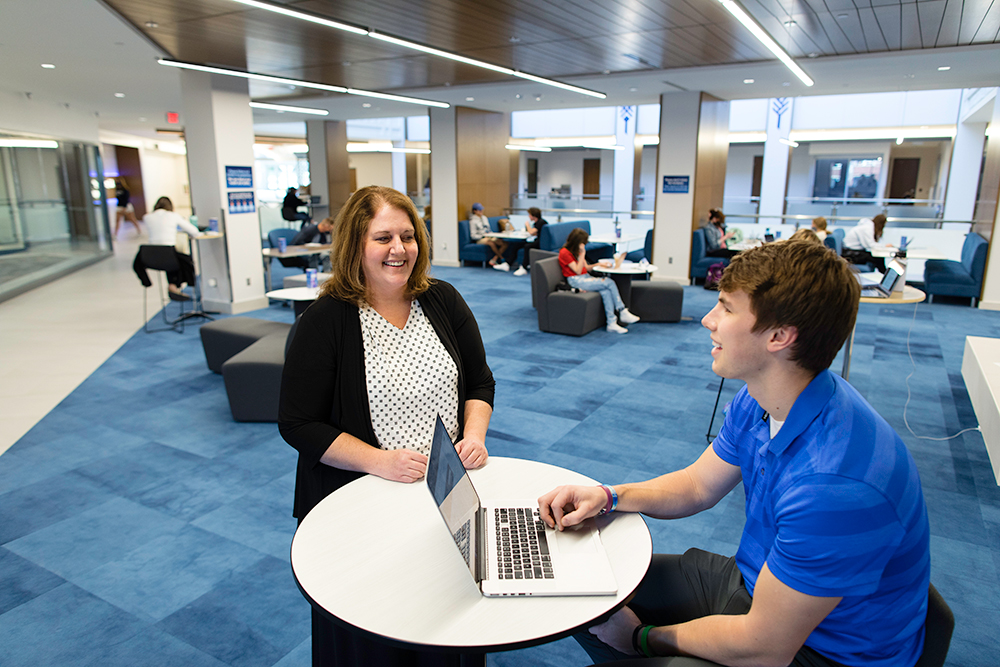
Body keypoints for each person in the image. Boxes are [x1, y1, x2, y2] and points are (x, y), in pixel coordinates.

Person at [538, 238, 930, 667]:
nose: (708, 319)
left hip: (822, 652)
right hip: (755, 582)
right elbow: (696, 485)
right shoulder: (764, 396)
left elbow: (764, 648)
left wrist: (641, 637)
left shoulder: (835, 484)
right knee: (584, 590)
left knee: (620, 634)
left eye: (726, 307)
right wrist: (610, 496)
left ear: (779, 337)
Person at [278, 185, 494, 667]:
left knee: (450, 617)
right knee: (379, 629)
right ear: (355, 244)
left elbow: (479, 382)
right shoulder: (325, 321)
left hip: (445, 486)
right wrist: (380, 461)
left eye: (407, 235)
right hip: (359, 496)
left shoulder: (442, 299)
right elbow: (297, 424)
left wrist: (474, 436)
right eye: (382, 238)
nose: (399, 249)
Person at [558, 228, 640, 334]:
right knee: (609, 282)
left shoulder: (575, 251)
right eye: (583, 243)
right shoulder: (565, 253)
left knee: (605, 291)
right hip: (576, 281)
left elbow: (586, 268)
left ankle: (611, 323)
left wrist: (598, 264)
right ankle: (622, 310)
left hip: (585, 277)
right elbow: (578, 271)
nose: (584, 245)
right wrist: (582, 254)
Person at [132, 196, 202, 301]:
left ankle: (148, 282)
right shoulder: (173, 216)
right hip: (169, 254)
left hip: (149, 255)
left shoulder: (147, 217)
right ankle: (176, 285)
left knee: (171, 259)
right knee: (183, 260)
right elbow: (194, 232)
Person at [468, 202, 509, 270]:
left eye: (481, 209)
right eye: (479, 210)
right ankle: (502, 259)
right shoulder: (473, 221)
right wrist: (483, 236)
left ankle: (494, 259)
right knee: (491, 243)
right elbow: (473, 236)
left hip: (489, 236)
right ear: (474, 211)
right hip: (480, 239)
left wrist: (490, 234)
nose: (481, 211)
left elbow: (488, 229)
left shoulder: (484, 218)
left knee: (504, 243)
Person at [513, 206, 548, 276]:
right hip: (538, 240)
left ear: (533, 215)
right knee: (517, 244)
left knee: (527, 246)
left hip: (541, 243)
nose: (528, 216)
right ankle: (508, 263)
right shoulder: (538, 222)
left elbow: (531, 232)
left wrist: (527, 225)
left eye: (529, 215)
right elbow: (535, 233)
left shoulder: (541, 222)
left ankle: (524, 267)